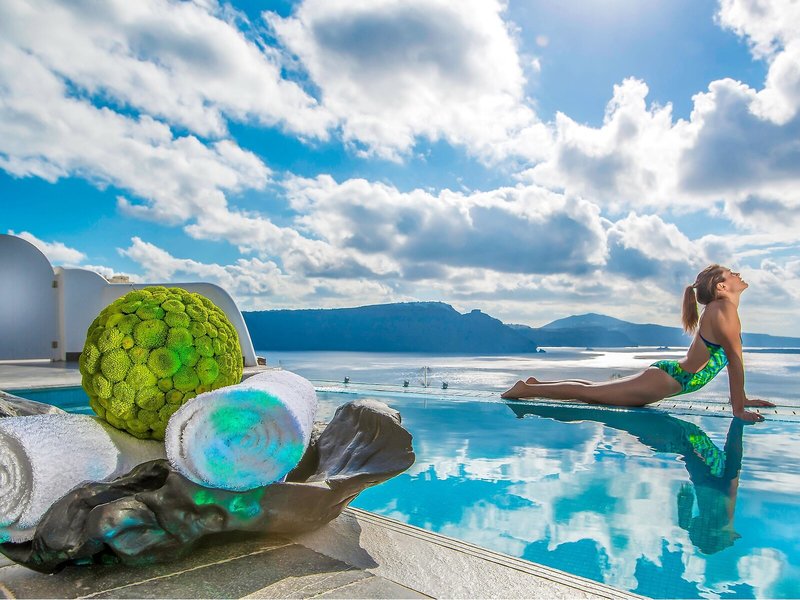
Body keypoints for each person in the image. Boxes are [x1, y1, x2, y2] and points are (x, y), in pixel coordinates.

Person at [501, 265, 775, 422]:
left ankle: (535, 384)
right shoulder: (722, 310)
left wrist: (740, 399)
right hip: (667, 380)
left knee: (594, 390)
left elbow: (732, 360)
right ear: (721, 287)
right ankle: (525, 389)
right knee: (590, 395)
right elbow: (734, 360)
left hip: (669, 377)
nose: (737, 274)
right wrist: (739, 409)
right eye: (731, 273)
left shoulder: (721, 309)